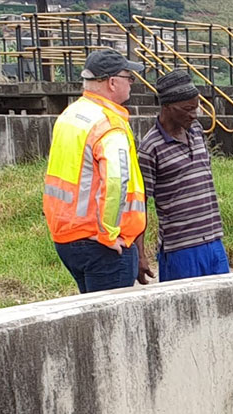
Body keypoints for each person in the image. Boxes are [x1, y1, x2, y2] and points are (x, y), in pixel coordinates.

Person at [42, 49, 146, 293]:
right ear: (112, 82)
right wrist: (109, 234)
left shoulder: (70, 115)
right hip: (102, 245)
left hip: (67, 238)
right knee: (112, 326)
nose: (131, 84)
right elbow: (115, 181)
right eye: (129, 78)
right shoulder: (109, 125)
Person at [136, 70, 229, 282]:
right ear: (167, 107)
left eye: (196, 107)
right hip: (181, 250)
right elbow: (140, 204)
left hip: (214, 243)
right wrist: (140, 254)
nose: (194, 114)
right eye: (187, 109)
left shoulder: (196, 130)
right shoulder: (150, 148)